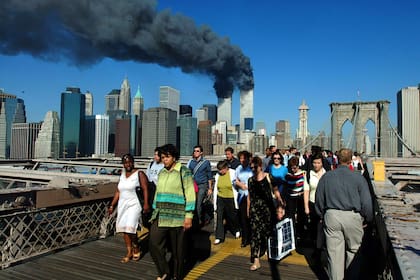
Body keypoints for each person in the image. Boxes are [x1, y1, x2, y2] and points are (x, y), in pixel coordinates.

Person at [315, 148, 373, 280]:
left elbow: (319, 200)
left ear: (337, 160)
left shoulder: (326, 177)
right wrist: (367, 219)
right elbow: (367, 203)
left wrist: (321, 216)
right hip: (353, 217)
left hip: (332, 217)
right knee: (354, 252)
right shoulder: (358, 178)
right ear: (351, 160)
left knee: (334, 256)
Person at [149, 144, 196, 280]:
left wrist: (189, 216)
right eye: (163, 157)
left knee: (178, 252)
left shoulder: (183, 171)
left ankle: (177, 276)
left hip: (178, 217)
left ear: (174, 157)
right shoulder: (162, 172)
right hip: (161, 215)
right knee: (153, 243)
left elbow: (190, 194)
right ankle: (164, 271)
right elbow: (158, 192)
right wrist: (154, 210)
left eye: (167, 157)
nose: (164, 160)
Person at [108, 154, 150, 263]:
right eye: (125, 163)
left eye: (130, 162)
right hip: (123, 204)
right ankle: (129, 251)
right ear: (123, 164)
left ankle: (136, 246)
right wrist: (112, 205)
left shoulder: (139, 173)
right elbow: (118, 191)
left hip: (134, 204)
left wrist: (146, 204)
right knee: (124, 230)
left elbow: (145, 189)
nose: (128, 164)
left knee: (131, 227)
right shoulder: (122, 175)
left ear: (133, 162)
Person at [247, 156, 284, 274]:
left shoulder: (268, 177)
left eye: (255, 167)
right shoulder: (250, 180)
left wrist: (280, 205)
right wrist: (248, 209)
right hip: (255, 210)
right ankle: (256, 260)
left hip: (268, 210)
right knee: (255, 234)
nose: (253, 169)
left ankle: (270, 252)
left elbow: (276, 191)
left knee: (268, 232)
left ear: (260, 166)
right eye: (251, 167)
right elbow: (250, 196)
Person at [211, 160, 240, 245]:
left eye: (221, 170)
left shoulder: (233, 173)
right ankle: (219, 237)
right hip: (221, 198)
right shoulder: (217, 175)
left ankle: (236, 229)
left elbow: (236, 184)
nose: (220, 172)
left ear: (226, 168)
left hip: (230, 198)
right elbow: (216, 188)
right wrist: (214, 201)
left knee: (232, 216)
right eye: (219, 170)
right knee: (219, 216)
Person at [303, 153, 326, 250]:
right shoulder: (309, 174)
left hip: (324, 205)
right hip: (313, 204)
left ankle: (321, 247)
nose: (316, 165)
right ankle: (316, 247)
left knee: (323, 228)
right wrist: (306, 207)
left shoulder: (327, 174)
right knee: (313, 227)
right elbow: (306, 191)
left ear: (322, 163)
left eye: (318, 163)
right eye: (314, 163)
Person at [187, 145, 213, 226]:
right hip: (193, 185)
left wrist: (210, 188)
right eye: (194, 151)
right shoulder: (191, 162)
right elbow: (188, 174)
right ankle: (203, 217)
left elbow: (209, 176)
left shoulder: (205, 162)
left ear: (201, 152)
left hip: (202, 185)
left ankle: (199, 221)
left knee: (198, 204)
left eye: (197, 151)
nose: (195, 152)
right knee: (193, 203)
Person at [285, 156, 308, 241]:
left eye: (294, 168)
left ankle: (301, 235)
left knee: (301, 217)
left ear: (298, 166)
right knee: (291, 217)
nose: (293, 170)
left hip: (300, 198)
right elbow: (286, 187)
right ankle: (293, 236)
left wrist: (301, 193)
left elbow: (305, 187)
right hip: (290, 198)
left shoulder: (303, 173)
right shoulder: (288, 175)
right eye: (291, 168)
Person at [235, 150, 253, 247]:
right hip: (242, 195)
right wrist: (240, 185)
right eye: (241, 158)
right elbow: (235, 180)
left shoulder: (252, 168)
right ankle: (245, 238)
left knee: (250, 216)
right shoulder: (238, 168)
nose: (242, 160)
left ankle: (251, 237)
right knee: (243, 217)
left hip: (251, 195)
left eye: (244, 158)